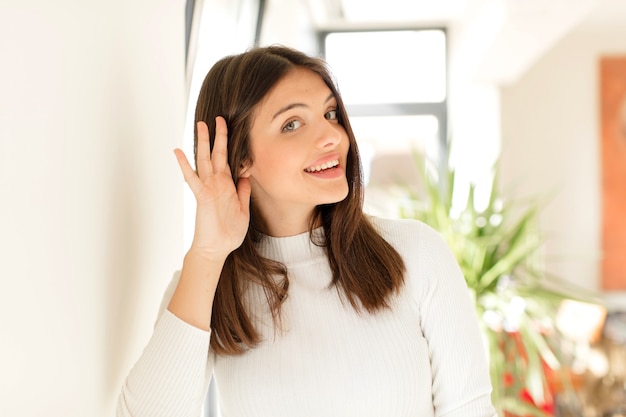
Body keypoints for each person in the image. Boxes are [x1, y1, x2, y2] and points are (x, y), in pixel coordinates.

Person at [116, 45, 496, 417]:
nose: (333, 136)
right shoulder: (207, 283)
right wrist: (208, 253)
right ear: (240, 156)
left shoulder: (415, 253)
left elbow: (470, 409)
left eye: (330, 113)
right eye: (292, 124)